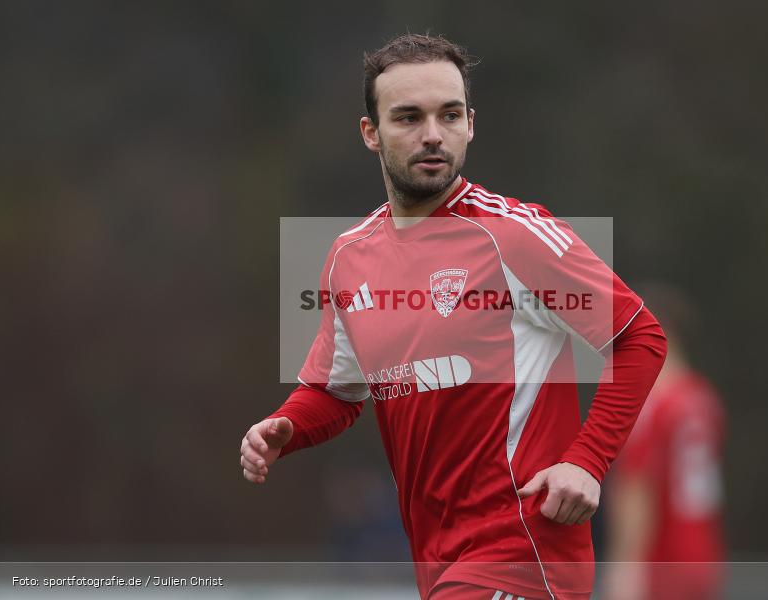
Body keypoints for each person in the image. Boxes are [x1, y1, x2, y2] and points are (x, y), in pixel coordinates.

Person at [240, 33, 667, 600]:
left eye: (449, 114)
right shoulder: (349, 255)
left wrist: (585, 462)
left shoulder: (515, 236)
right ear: (371, 133)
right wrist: (286, 427)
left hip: (522, 550)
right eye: (409, 117)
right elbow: (338, 392)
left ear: (471, 123)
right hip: (438, 562)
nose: (433, 134)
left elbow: (639, 337)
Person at [603, 283, 726, 600]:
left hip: (660, 561)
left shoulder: (652, 403)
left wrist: (626, 566)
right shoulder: (702, 397)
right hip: (702, 556)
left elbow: (638, 487)